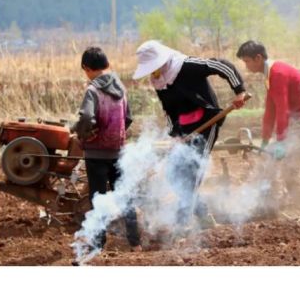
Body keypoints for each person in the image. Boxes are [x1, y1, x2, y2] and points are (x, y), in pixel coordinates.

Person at [133, 39, 248, 226]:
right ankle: (202, 213)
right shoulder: (159, 81)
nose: (154, 71)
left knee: (194, 170)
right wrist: (175, 135)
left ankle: (184, 221)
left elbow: (221, 65)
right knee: (172, 172)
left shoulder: (185, 66)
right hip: (184, 128)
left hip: (207, 122)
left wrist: (239, 91)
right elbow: (169, 111)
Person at [237, 40, 300, 217]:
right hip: (296, 119)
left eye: (247, 61)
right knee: (269, 161)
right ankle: (268, 208)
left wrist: (282, 143)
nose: (246, 66)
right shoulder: (270, 75)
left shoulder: (278, 73)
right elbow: (271, 111)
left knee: (291, 171)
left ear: (258, 58)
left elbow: (282, 110)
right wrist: (266, 141)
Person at [72, 46, 141, 252]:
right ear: (107, 65)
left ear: (86, 67)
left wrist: (82, 134)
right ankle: (135, 243)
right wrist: (117, 134)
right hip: (119, 151)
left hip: (96, 153)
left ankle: (99, 245)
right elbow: (128, 118)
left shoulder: (92, 90)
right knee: (125, 196)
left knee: (98, 199)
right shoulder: (121, 88)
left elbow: (86, 117)